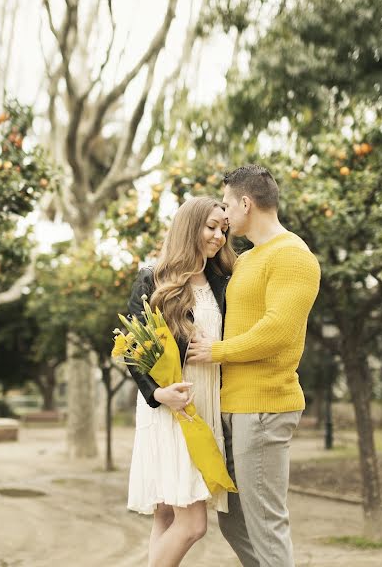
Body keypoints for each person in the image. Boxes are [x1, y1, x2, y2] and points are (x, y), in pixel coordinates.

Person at [186, 164, 321, 567]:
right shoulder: (246, 261)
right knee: (235, 522)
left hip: (265, 408)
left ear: (246, 203)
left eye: (227, 204)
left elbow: (278, 330)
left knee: (265, 523)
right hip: (235, 406)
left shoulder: (293, 256)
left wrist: (218, 351)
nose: (224, 216)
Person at [125, 196, 237, 567]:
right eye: (210, 227)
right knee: (191, 525)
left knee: (168, 517)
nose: (219, 236)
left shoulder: (223, 279)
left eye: (223, 228)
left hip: (206, 402)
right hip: (171, 408)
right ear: (189, 226)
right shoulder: (152, 278)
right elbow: (134, 347)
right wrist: (157, 393)